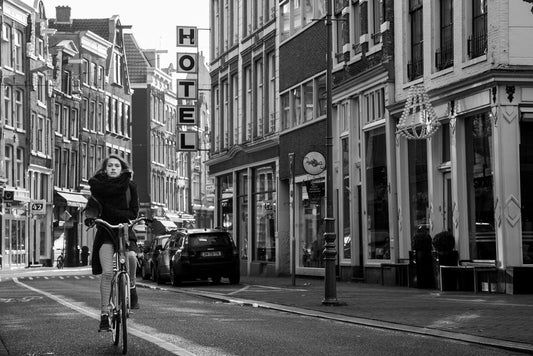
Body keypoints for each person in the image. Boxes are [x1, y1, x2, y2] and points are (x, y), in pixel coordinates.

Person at [84, 155, 140, 332]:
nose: (114, 168)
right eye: (110, 166)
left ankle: (131, 285)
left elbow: (134, 211)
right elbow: (92, 207)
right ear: (105, 169)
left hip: (123, 230)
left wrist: (120, 217)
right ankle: (104, 314)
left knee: (131, 256)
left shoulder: (130, 186)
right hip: (106, 231)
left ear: (122, 168)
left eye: (117, 165)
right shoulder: (97, 187)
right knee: (108, 273)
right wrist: (91, 218)